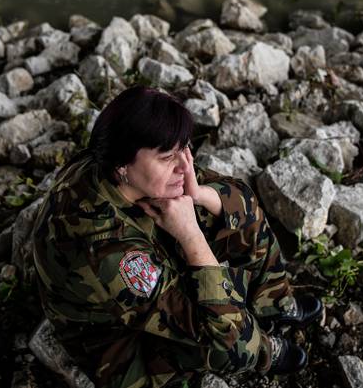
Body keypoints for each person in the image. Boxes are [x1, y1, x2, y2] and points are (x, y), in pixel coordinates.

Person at [30, 86, 322, 388]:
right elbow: (225, 331)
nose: (185, 165)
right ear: (122, 166)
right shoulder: (103, 250)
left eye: (185, 148)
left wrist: (199, 194)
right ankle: (265, 351)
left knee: (234, 214)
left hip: (143, 250)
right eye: (169, 156)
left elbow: (243, 202)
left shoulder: (133, 172)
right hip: (120, 341)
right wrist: (191, 236)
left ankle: (273, 304)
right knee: (233, 347)